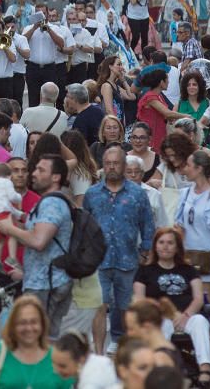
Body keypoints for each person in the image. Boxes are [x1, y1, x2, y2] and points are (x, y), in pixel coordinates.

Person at [0, 155, 74, 339]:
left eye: (41, 170)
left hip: (46, 285)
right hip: (40, 280)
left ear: (56, 177)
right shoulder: (45, 202)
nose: (34, 174)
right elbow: (35, 236)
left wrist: (9, 229)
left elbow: (39, 241)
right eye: (35, 169)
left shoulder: (52, 204)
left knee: (38, 340)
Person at [83, 145, 154, 348]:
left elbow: (147, 223)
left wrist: (145, 251)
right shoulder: (92, 194)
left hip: (128, 258)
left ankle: (120, 341)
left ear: (124, 165)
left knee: (124, 306)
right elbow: (84, 225)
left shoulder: (137, 194)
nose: (112, 167)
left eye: (116, 163)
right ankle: (98, 351)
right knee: (99, 304)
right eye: (108, 163)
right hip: (100, 260)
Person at [132, 227, 210, 379]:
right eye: (161, 242)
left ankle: (205, 368)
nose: (165, 246)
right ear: (155, 246)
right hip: (159, 317)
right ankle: (164, 370)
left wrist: (186, 315)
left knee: (201, 321)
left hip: (186, 315)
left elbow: (198, 298)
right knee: (163, 325)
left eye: (170, 243)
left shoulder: (188, 270)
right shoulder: (145, 271)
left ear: (177, 247)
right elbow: (140, 300)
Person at [174, 150, 210, 302]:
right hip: (188, 254)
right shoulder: (185, 194)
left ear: (199, 169)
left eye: (189, 165)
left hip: (209, 254)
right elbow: (180, 224)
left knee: (207, 302)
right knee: (189, 301)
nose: (185, 169)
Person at [0, 295, 70, 389]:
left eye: (34, 322)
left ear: (42, 324)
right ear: (13, 325)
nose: (29, 328)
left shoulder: (58, 358)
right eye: (22, 323)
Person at [51, 331, 119, 389]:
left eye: (62, 366)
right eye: (53, 363)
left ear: (81, 359)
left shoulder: (90, 383)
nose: (56, 370)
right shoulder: (100, 361)